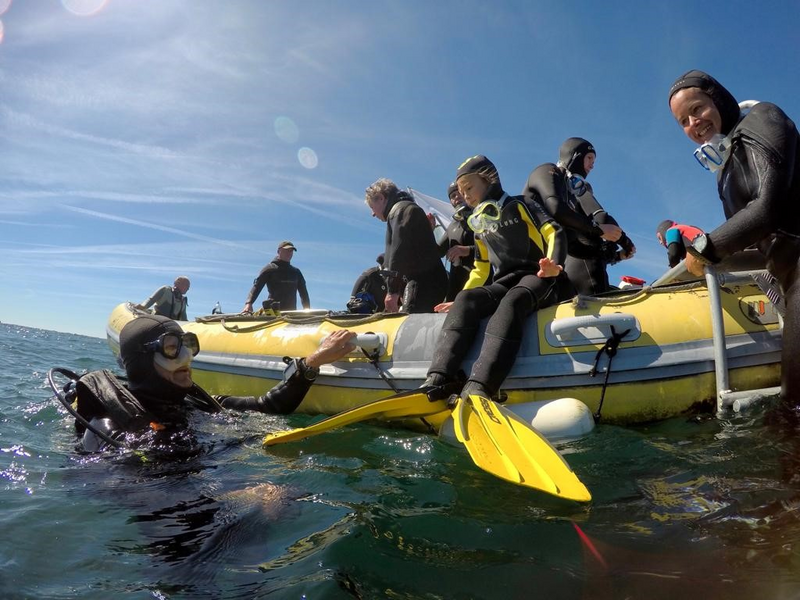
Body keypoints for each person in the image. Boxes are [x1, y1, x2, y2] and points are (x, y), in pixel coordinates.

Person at [668, 69, 800, 400]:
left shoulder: (762, 117)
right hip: (790, 279)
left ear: (718, 98)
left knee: (792, 410)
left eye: (696, 109)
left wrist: (703, 249)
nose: (693, 124)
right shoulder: (723, 171)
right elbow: (765, 242)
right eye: (683, 121)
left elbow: (767, 210)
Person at [67, 314, 357, 453]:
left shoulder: (197, 404)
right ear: (142, 360)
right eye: (171, 347)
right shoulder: (110, 427)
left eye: (188, 344)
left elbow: (268, 407)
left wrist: (313, 362)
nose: (186, 357)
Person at [422, 155, 573, 400]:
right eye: (461, 191)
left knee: (513, 301)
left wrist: (554, 265)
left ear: (489, 180)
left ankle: (481, 386)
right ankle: (438, 379)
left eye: (469, 188)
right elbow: (481, 267)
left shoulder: (520, 204)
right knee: (467, 300)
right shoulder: (480, 224)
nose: (465, 196)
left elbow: (553, 230)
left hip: (540, 276)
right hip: (503, 281)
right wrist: (459, 298)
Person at [523, 138, 636, 295]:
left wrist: (617, 255)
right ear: (574, 156)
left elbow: (577, 248)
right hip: (529, 266)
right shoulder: (547, 171)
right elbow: (556, 209)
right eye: (589, 157)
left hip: (553, 267)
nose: (592, 165)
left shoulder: (570, 197)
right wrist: (603, 231)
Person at [365, 179, 448, 313]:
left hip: (423, 284)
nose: (373, 213)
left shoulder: (400, 210)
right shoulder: (407, 209)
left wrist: (392, 291)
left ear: (381, 198)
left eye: (371, 207)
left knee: (411, 323)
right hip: (431, 283)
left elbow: (400, 250)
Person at [242, 241, 310, 313]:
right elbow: (257, 286)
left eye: (291, 251)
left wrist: (307, 309)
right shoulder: (270, 268)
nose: (289, 253)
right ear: (279, 251)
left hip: (290, 313)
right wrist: (249, 303)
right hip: (272, 312)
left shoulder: (296, 272)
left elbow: (303, 293)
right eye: (286, 250)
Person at [438, 182, 476, 301]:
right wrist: (428, 230)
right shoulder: (452, 226)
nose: (456, 197)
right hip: (455, 287)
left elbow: (495, 246)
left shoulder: (481, 217)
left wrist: (467, 250)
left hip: (480, 280)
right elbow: (437, 252)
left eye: (458, 193)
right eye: (452, 196)